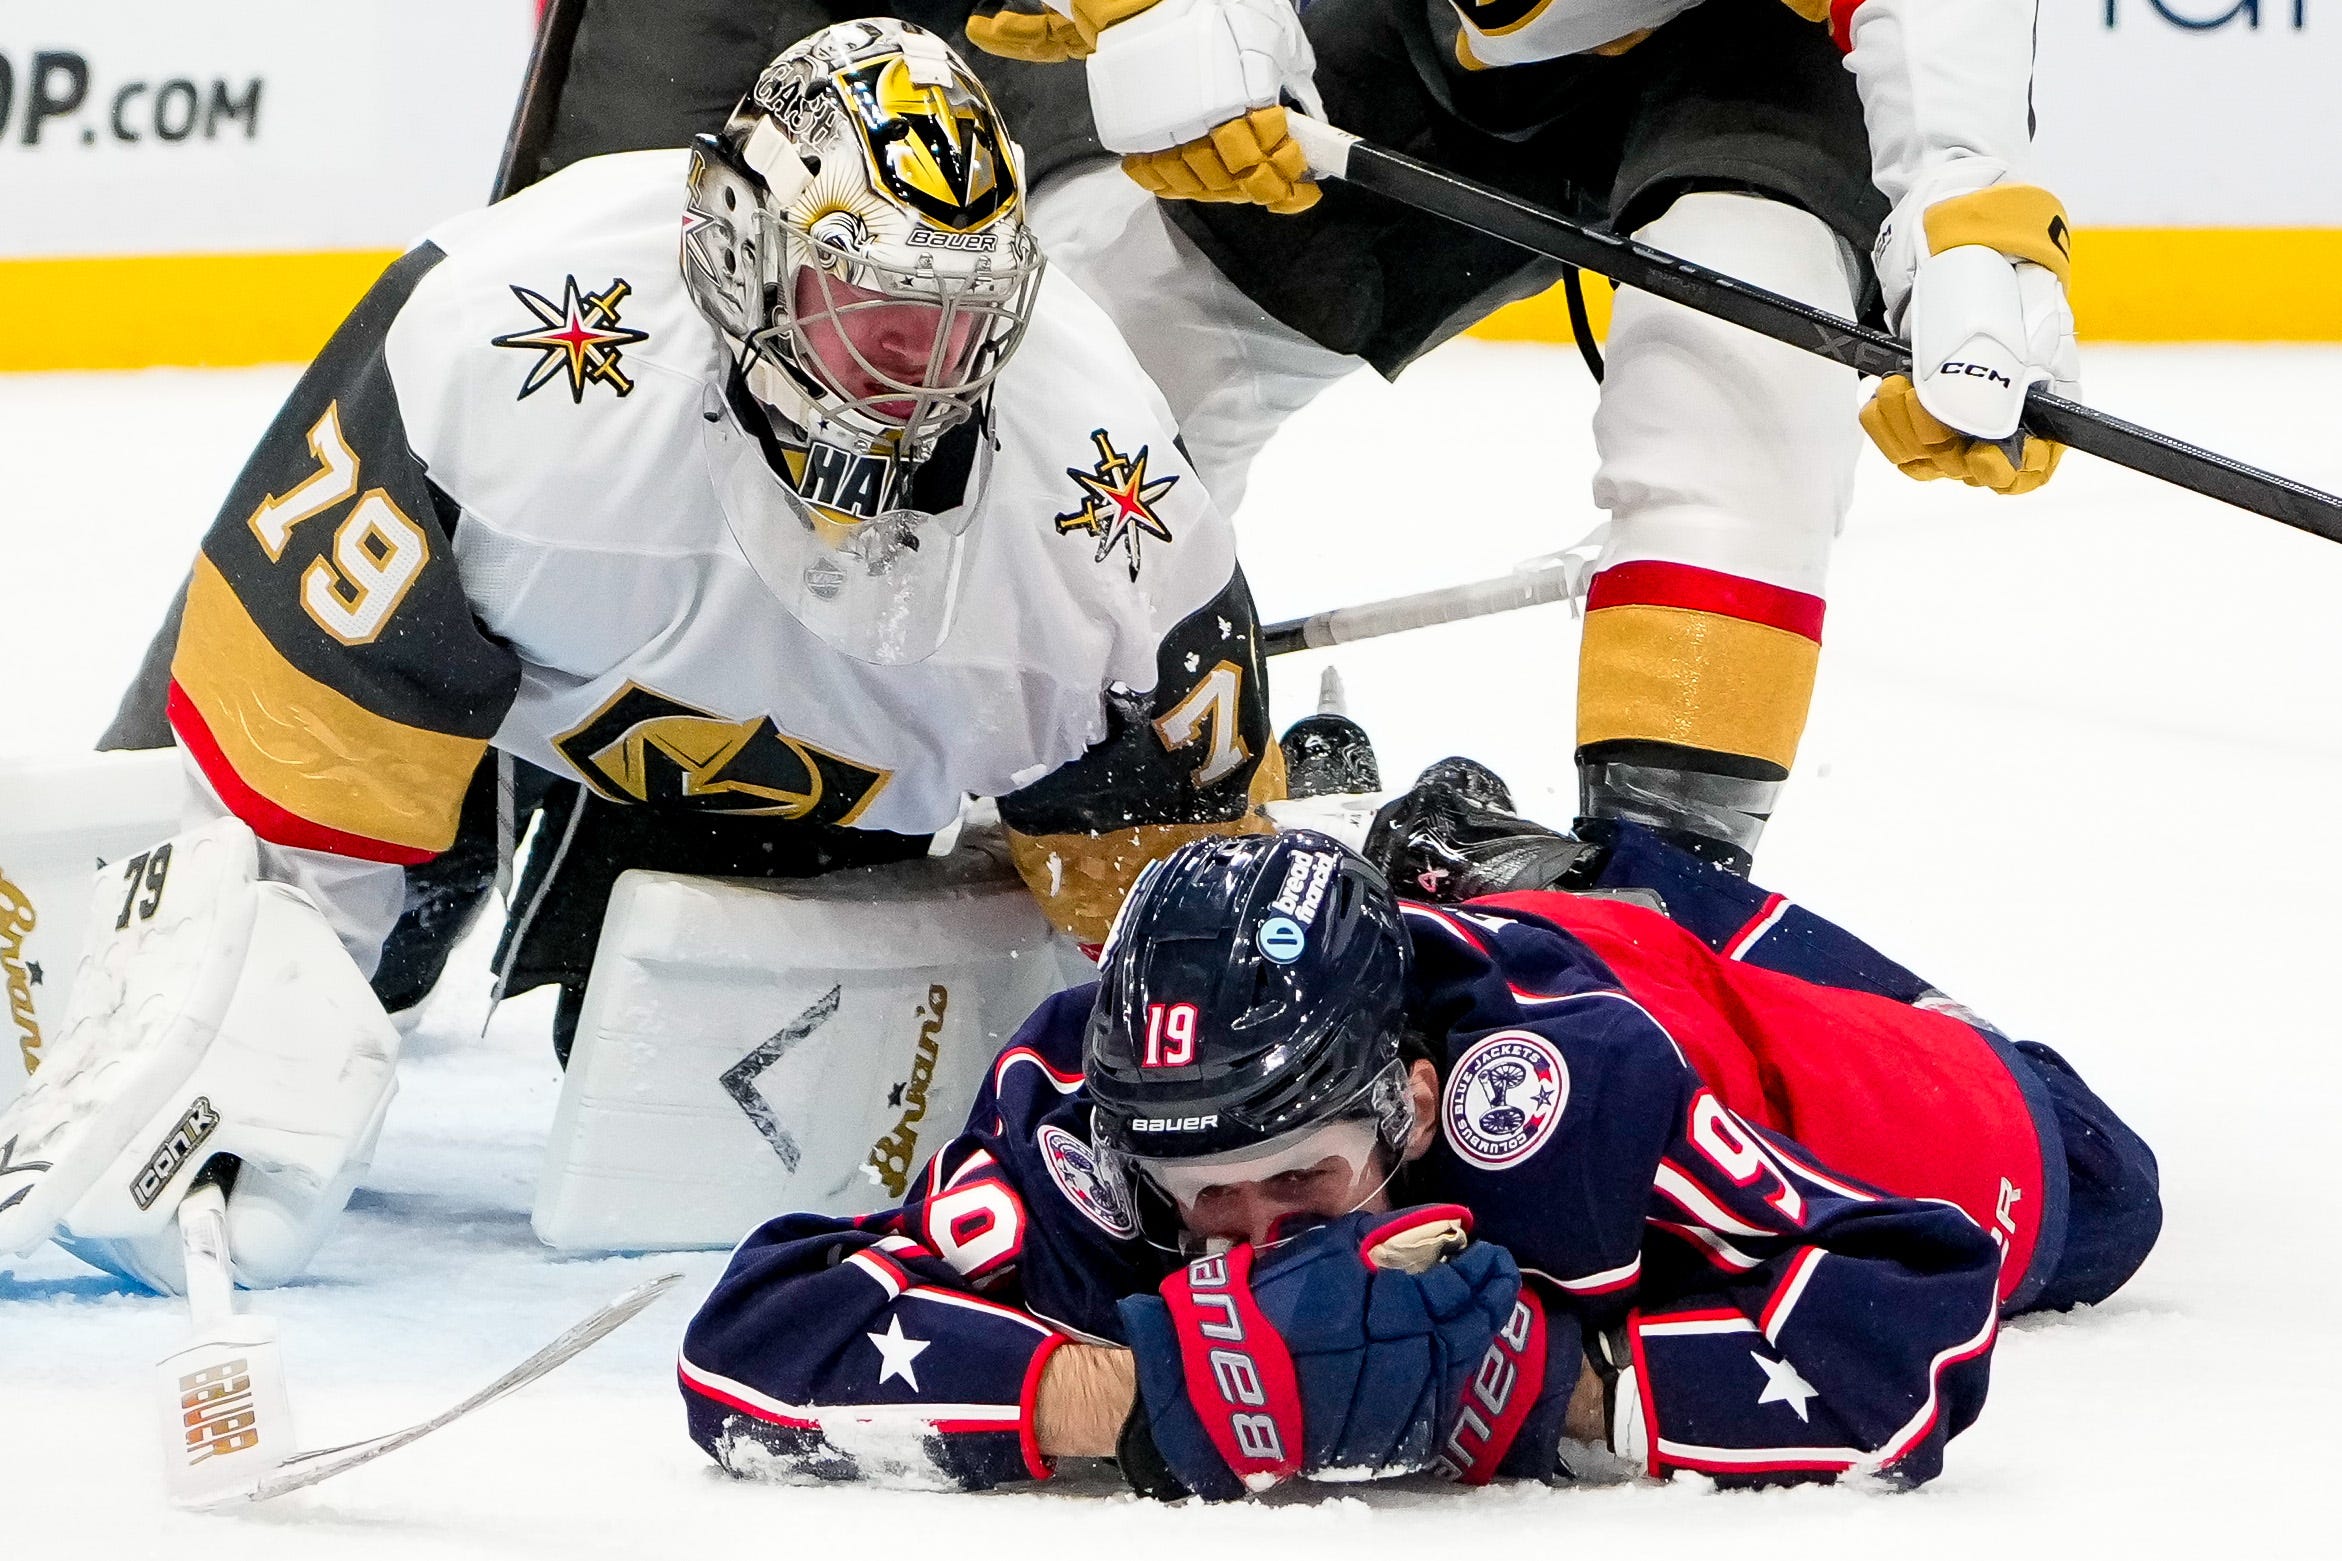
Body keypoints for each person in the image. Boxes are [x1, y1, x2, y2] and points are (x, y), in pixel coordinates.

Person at [0, 19, 1279, 1292]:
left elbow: (1166, 928)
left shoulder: (1111, 513)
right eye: (868, 302)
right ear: (739, 252)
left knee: (666, 1091)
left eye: (952, 318)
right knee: (333, 966)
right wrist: (260, 993)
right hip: (489, 701)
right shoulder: (500, 338)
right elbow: (309, 729)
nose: (912, 370)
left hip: (822, 798)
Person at [678, 780, 2160, 1495]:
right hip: (1430, 975)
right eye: (1207, 1197)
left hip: (1669, 1006)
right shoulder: (1084, 1117)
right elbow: (745, 1345)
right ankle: (1425, 857)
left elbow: (1913, 1302)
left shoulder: (1573, 1106)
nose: (1260, 1232)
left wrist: (1563, 1387)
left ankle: (1566, 873)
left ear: (1411, 1103)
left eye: (1301, 1178)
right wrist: (1117, 1394)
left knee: (2095, 1176)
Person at [958, 0, 2080, 871]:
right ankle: (1103, 800)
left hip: (1758, 54)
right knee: (1128, 353)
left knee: (1735, 392)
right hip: (1457, 36)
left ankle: (1654, 904)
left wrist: (1965, 229)